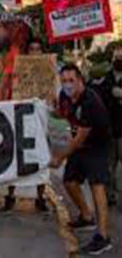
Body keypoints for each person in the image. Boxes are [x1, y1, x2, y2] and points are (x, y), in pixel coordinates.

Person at [50, 63, 112, 255]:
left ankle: (103, 237)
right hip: (79, 146)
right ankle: (86, 216)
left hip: (96, 146)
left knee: (97, 187)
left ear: (80, 80)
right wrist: (51, 109)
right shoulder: (64, 96)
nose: (67, 85)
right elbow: (62, 117)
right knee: (69, 182)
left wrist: (59, 157)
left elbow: (79, 138)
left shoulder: (89, 101)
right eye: (64, 81)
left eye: (71, 80)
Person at [2, 37, 49, 213]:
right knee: (16, 159)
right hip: (21, 119)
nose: (35, 52)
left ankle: (41, 197)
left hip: (40, 121)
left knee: (41, 158)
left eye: (38, 49)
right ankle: (10, 195)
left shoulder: (49, 71)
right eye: (32, 49)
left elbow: (54, 98)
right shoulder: (18, 70)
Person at [101, 44, 122, 207]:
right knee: (109, 164)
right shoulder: (105, 78)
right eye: (116, 57)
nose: (118, 60)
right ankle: (110, 195)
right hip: (109, 130)